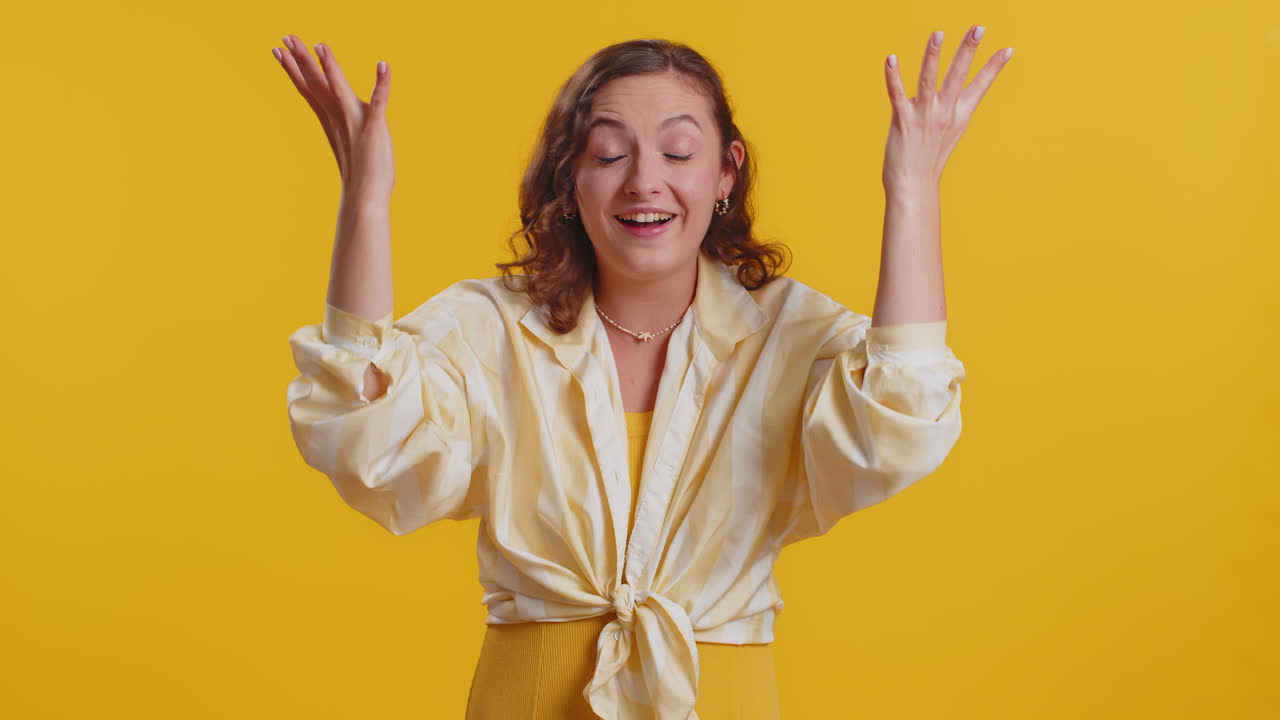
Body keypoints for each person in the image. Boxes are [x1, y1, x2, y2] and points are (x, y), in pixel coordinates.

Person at [277, 28, 1010, 720]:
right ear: (570, 178)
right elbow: (367, 436)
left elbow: (898, 421)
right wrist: (365, 199)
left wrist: (912, 191)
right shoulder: (489, 326)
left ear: (726, 171)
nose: (644, 181)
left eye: (678, 152)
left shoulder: (788, 333)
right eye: (608, 155)